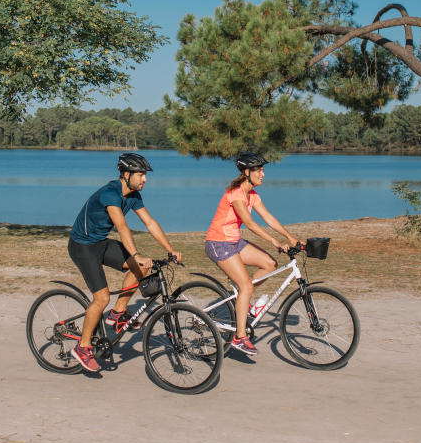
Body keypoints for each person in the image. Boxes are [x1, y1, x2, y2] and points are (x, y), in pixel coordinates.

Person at [68, 152, 182, 373]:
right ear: (126, 174)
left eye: (144, 175)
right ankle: (83, 346)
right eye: (140, 174)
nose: (145, 179)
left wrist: (170, 250)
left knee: (138, 268)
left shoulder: (134, 196)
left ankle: (118, 313)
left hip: (100, 242)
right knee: (101, 298)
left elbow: (150, 223)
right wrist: (136, 254)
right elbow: (121, 227)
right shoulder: (110, 193)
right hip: (82, 246)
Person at [204, 152, 302, 356]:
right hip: (218, 243)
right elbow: (248, 222)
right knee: (247, 286)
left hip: (234, 242)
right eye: (260, 170)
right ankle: (239, 337)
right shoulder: (236, 193)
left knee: (269, 264)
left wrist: (289, 236)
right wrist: (274, 241)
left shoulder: (253, 195)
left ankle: (242, 299)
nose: (263, 174)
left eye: (263, 170)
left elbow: (268, 217)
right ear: (247, 172)